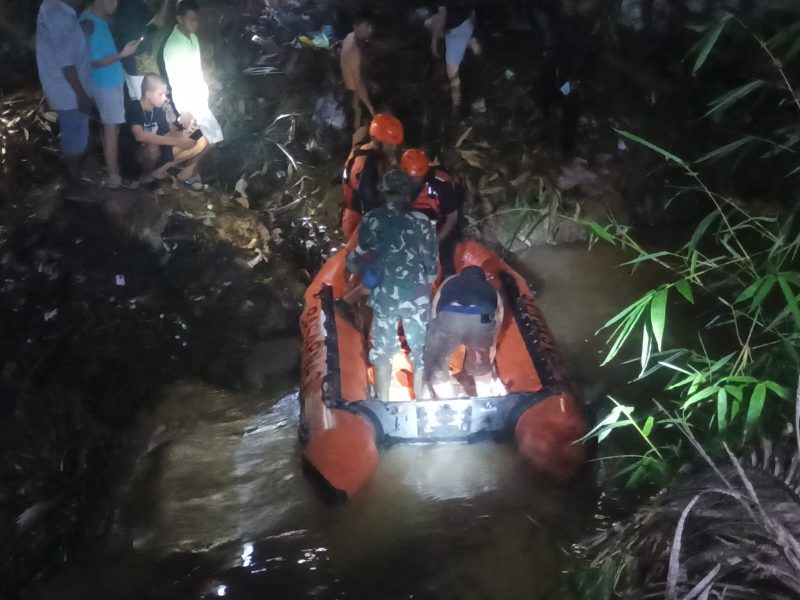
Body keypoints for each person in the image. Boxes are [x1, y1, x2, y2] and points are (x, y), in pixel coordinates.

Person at [345, 170, 439, 402]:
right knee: (421, 354)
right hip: (417, 296)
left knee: (383, 354)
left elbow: (358, 257)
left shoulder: (372, 220)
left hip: (385, 297)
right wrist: (426, 285)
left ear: (384, 192)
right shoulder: (423, 222)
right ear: (409, 193)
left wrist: (352, 266)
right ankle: (421, 403)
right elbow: (431, 264)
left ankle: (385, 404)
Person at [162, 0, 223, 187]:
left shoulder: (192, 39)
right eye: (191, 19)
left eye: (197, 19)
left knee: (209, 138)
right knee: (208, 138)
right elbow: (177, 81)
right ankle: (182, 172)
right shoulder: (173, 46)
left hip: (198, 99)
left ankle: (188, 171)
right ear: (179, 18)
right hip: (188, 103)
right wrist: (185, 111)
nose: (195, 23)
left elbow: (196, 71)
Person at [81, 0, 141, 189]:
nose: (116, 4)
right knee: (110, 128)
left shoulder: (102, 19)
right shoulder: (87, 23)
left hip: (114, 80)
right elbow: (93, 62)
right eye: (112, 0)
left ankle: (113, 170)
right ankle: (114, 176)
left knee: (113, 128)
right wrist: (122, 55)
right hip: (103, 83)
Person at [36, 0, 94, 194]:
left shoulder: (62, 12)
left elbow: (67, 44)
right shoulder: (56, 12)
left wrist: (82, 30)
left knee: (76, 139)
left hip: (71, 90)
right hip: (69, 92)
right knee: (74, 141)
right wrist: (81, 95)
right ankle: (73, 187)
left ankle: (74, 180)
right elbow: (67, 63)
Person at [423, 266, 503, 398]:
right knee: (480, 364)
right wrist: (491, 345)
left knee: (437, 363)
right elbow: (498, 318)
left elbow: (435, 307)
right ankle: (484, 396)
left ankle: (447, 399)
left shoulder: (449, 281)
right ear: (482, 277)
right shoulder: (491, 289)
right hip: (480, 319)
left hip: (450, 316)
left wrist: (437, 332)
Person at [125, 72, 208, 183]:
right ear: (148, 93)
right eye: (160, 94)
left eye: (165, 94)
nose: (164, 98)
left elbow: (166, 134)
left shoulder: (158, 110)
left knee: (198, 142)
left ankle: (157, 171)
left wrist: (185, 132)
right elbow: (140, 136)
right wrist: (178, 141)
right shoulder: (135, 107)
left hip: (153, 155)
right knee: (152, 149)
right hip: (134, 157)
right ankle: (144, 177)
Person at [536, 0, 591, 157]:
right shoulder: (555, 18)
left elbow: (582, 54)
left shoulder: (581, 25)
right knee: (546, 99)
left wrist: (575, 77)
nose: (566, 5)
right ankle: (548, 137)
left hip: (571, 72)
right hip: (553, 67)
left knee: (569, 103)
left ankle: (567, 147)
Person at [401, 148, 464, 277]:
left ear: (424, 173)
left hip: (442, 219)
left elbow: (452, 218)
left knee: (446, 256)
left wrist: (434, 240)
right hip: (417, 218)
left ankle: (446, 281)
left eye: (416, 178)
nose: (412, 181)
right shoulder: (400, 180)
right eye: (410, 178)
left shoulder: (441, 185)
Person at [341, 113, 403, 239]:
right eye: (391, 144)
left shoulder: (362, 151)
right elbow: (371, 199)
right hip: (361, 224)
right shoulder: (367, 163)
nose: (394, 148)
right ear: (378, 140)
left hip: (355, 218)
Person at [426, 1, 481, 117]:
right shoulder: (454, 55)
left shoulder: (453, 57)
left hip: (461, 23)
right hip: (466, 17)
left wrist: (456, 108)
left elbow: (455, 83)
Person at [339, 9, 376, 137]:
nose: (371, 30)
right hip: (355, 94)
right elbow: (358, 83)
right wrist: (370, 107)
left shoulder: (350, 36)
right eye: (367, 26)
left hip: (356, 86)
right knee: (360, 129)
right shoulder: (354, 51)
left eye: (371, 26)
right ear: (357, 26)